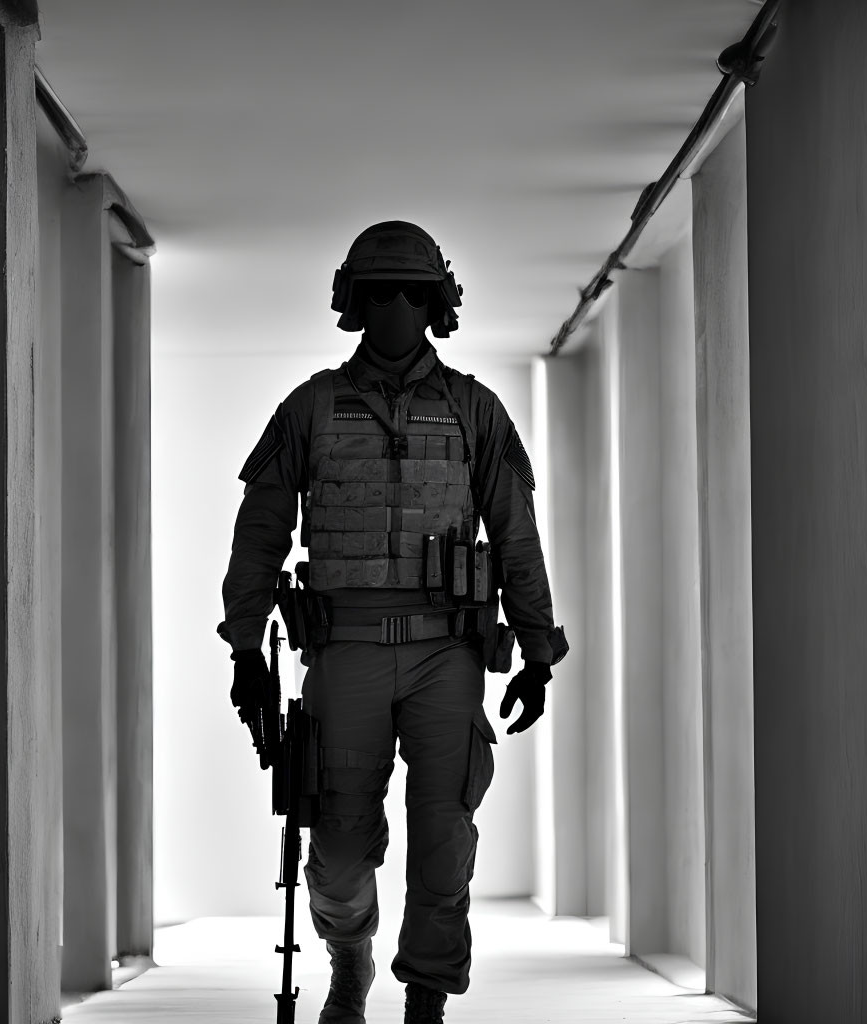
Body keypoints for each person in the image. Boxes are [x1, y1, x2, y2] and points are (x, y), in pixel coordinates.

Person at [220, 221, 568, 1024]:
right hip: (343, 652)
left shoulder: (475, 411)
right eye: (379, 293)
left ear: (439, 303)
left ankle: (426, 996)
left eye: (413, 292)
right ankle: (351, 957)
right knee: (338, 847)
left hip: (448, 652)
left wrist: (539, 650)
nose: (396, 308)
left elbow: (516, 534)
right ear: (352, 303)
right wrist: (245, 647)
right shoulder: (309, 409)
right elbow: (261, 530)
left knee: (444, 840)